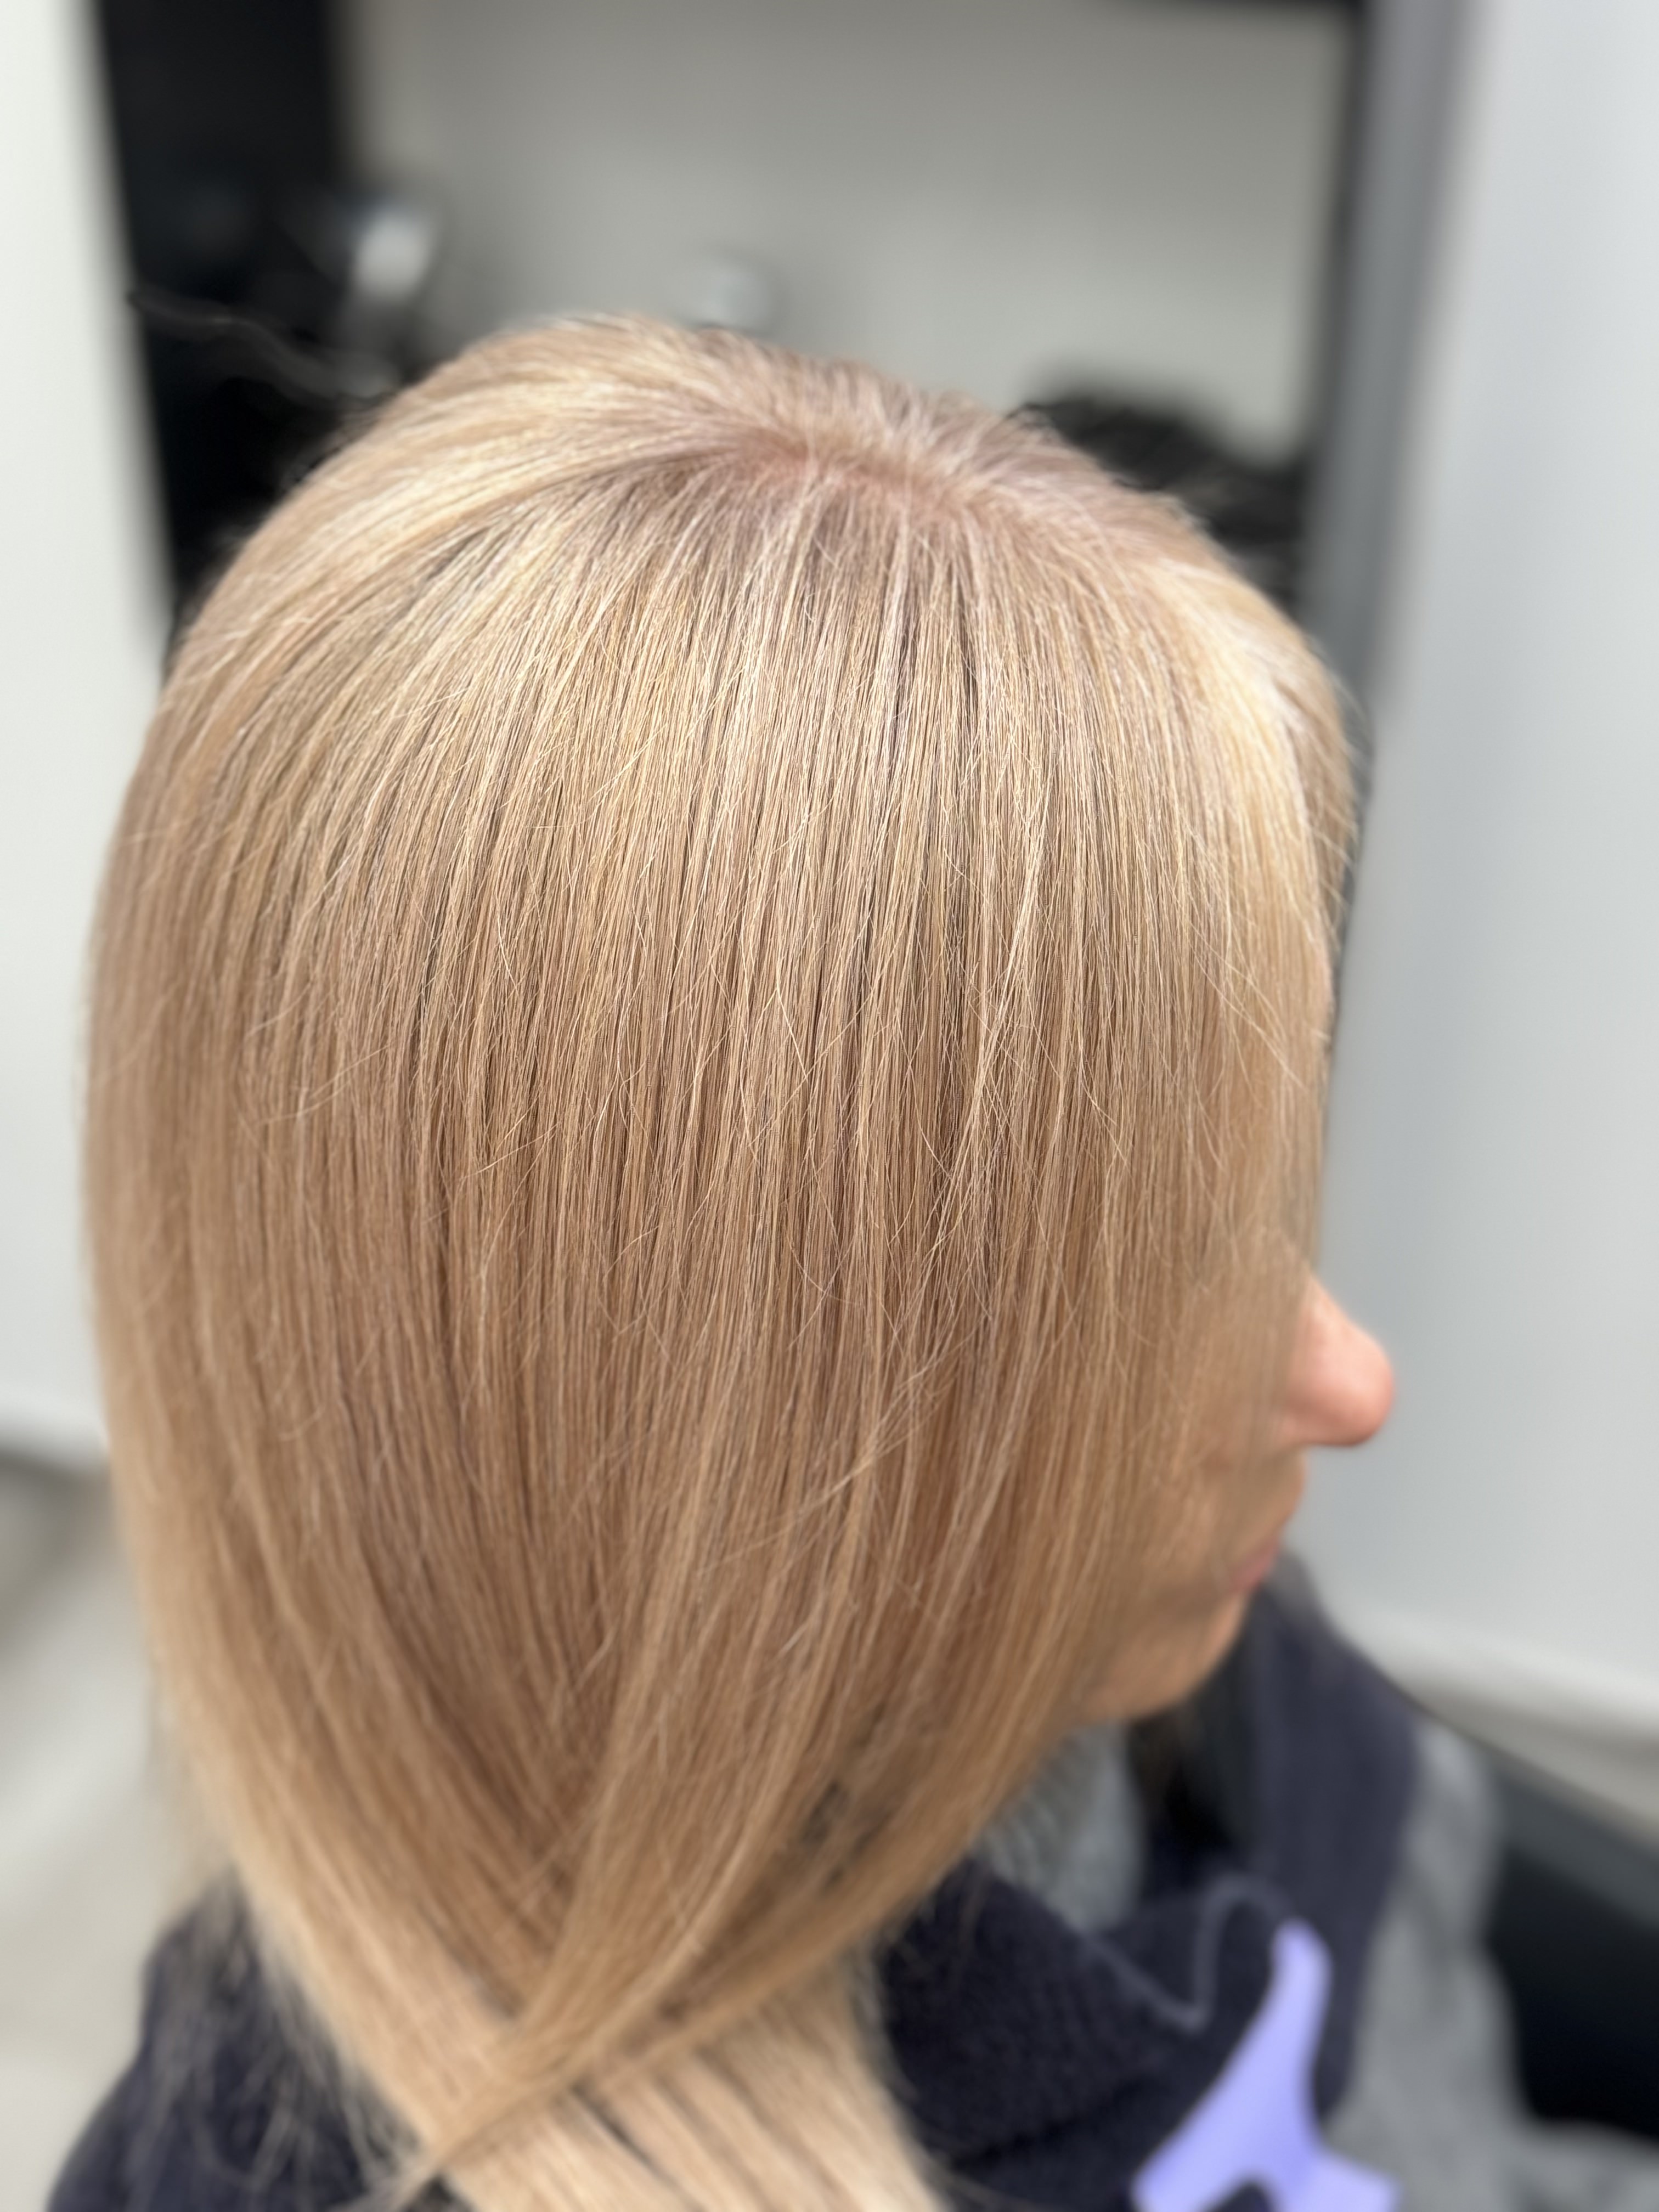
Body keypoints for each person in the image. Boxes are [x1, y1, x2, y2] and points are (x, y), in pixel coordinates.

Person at [52, 317, 1659, 2212]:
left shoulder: (1177, 1660)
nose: (1348, 1382)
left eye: (1261, 1219)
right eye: (1147, 1290)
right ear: (677, 1411)